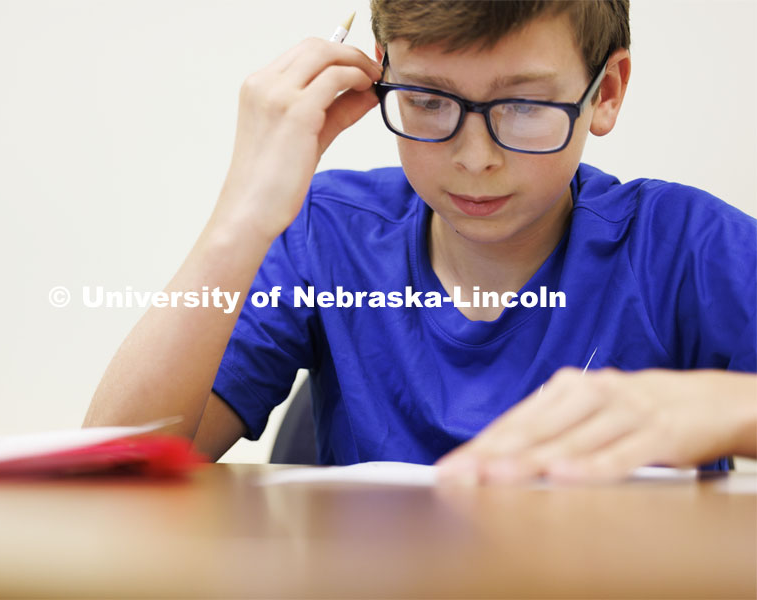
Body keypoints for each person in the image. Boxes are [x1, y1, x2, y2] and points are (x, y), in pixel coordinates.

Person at [83, 0, 756, 484]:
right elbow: (113, 470)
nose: (474, 157)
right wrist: (240, 218)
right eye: (428, 101)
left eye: (522, 106)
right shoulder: (329, 231)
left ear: (604, 92)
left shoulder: (687, 248)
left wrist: (726, 408)